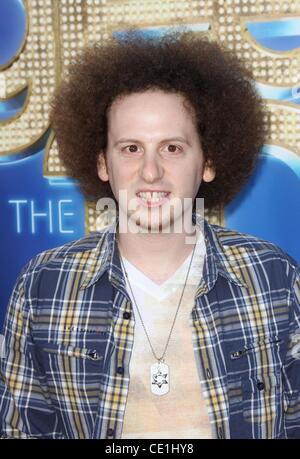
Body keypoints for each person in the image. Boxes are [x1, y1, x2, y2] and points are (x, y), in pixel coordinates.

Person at [0, 31, 299, 440]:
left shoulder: (274, 278)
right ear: (103, 163)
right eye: (131, 148)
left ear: (208, 162)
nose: (152, 172)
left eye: (172, 148)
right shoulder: (42, 285)